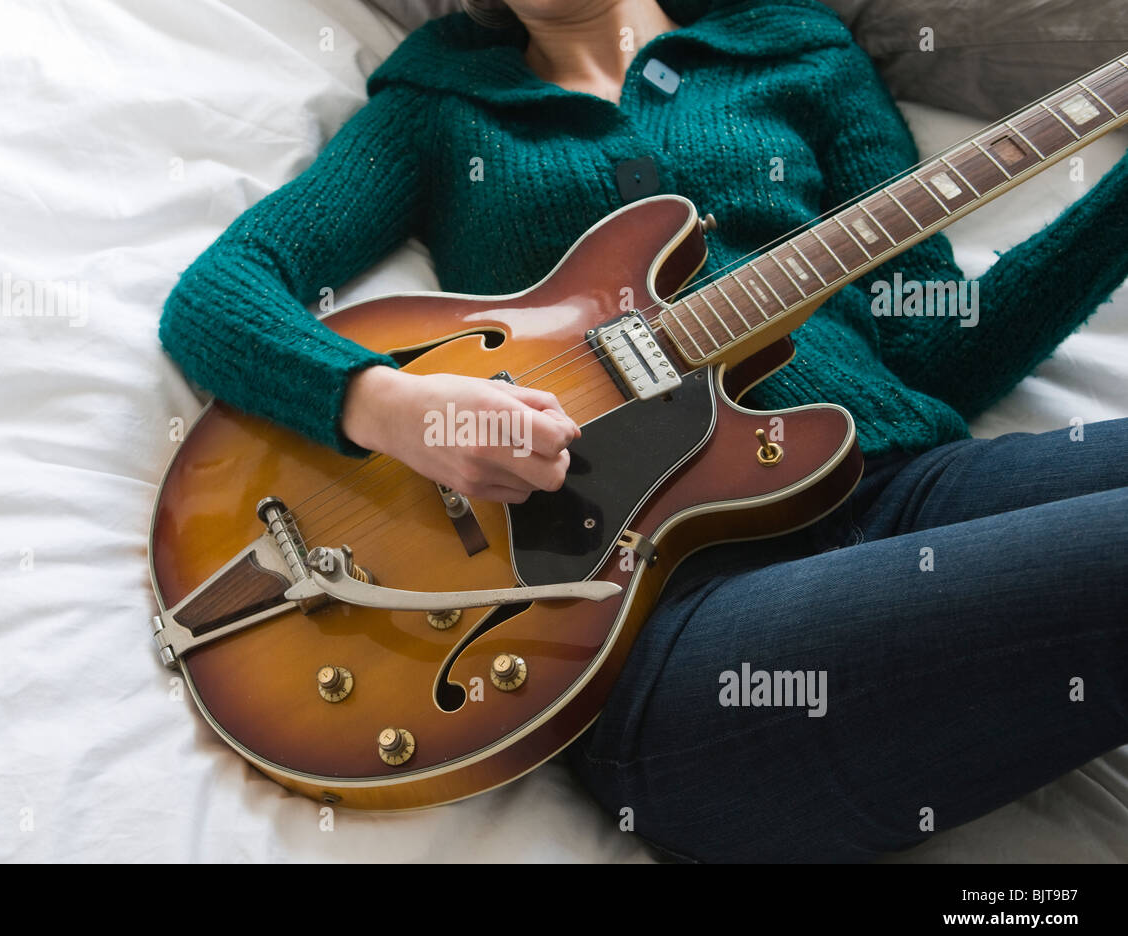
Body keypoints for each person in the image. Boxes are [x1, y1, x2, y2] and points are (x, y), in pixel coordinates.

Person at [158, 0, 1128, 862]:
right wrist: (399, 409)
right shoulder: (437, 108)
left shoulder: (798, 52)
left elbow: (933, 345)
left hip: (912, 487)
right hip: (662, 618)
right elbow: (222, 293)